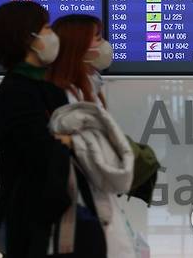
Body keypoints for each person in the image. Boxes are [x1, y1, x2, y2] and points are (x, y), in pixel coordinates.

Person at [0, 2, 105, 258]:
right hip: (33, 219)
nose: (53, 36)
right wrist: (74, 143)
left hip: (57, 213)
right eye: (47, 28)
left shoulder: (45, 86)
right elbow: (39, 151)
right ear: (29, 38)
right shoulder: (15, 91)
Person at [47, 14, 137, 258]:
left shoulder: (88, 86)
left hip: (95, 200)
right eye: (97, 37)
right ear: (78, 46)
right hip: (80, 200)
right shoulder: (64, 95)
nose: (104, 44)